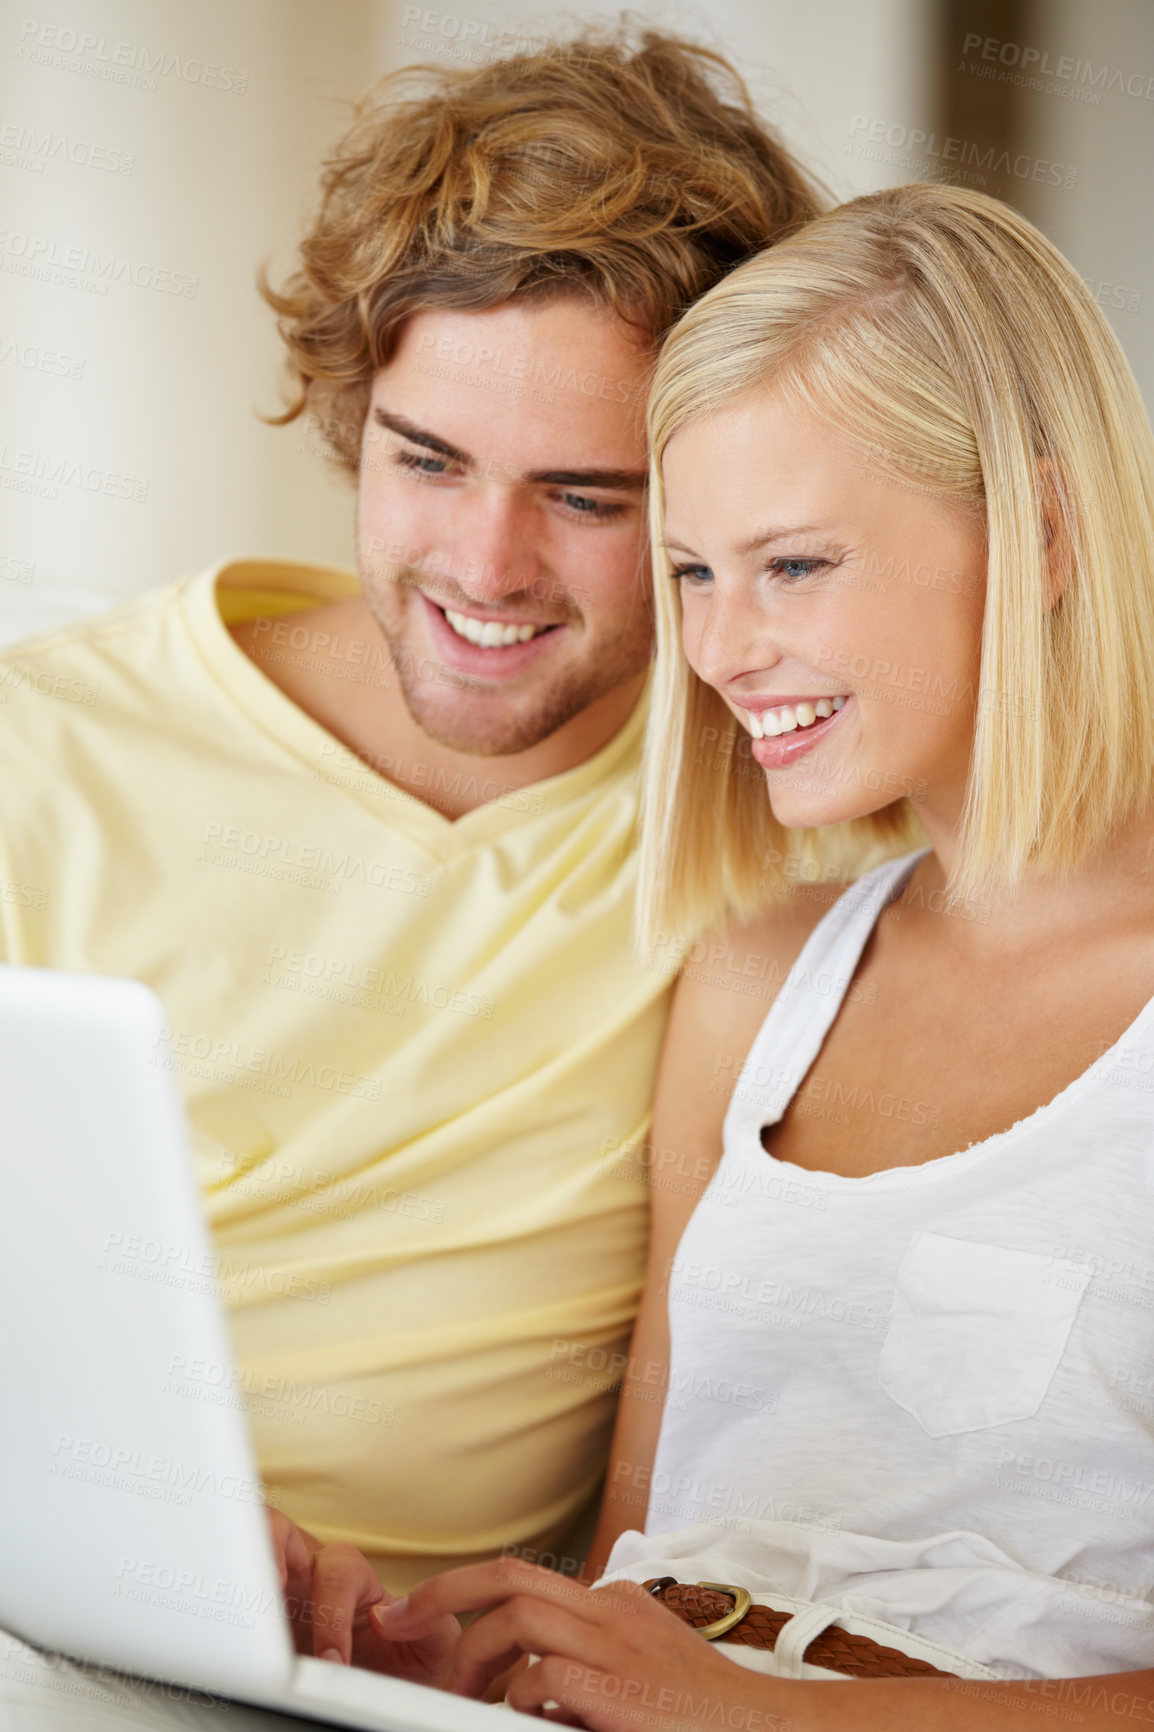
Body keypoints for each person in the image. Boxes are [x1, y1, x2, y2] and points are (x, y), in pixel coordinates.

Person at [0, 26, 825, 1616]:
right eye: (426, 461)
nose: (487, 566)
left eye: (586, 496)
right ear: (347, 414)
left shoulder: (786, 808)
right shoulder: (43, 751)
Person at [348, 183, 1154, 1726]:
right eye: (693, 573)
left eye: (791, 567)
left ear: (1041, 535)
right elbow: (635, 1541)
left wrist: (778, 1718)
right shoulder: (759, 976)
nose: (718, 653)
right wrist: (466, 1657)